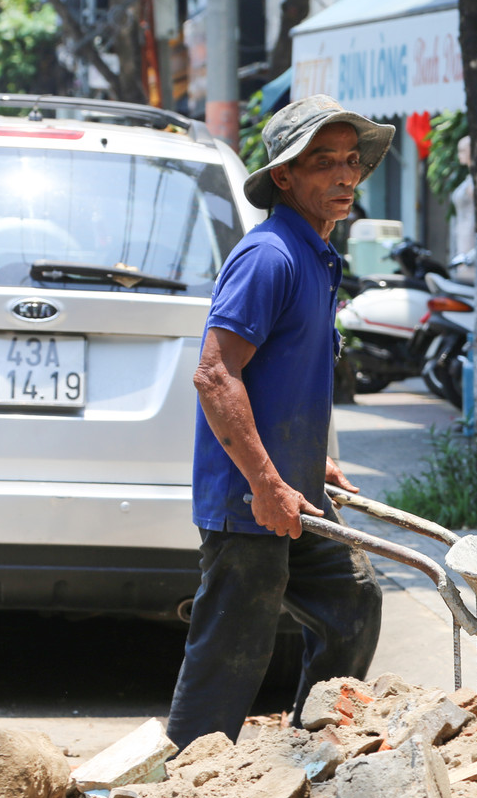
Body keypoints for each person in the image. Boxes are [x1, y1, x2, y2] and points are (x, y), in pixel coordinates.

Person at [166, 95, 393, 751]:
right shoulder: (270, 255)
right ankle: (184, 788)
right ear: (287, 176)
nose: (345, 175)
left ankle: (312, 748)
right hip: (249, 500)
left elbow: (289, 377)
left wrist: (307, 460)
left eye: (352, 161)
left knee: (353, 603)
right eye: (324, 162)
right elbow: (215, 374)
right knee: (232, 650)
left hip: (293, 490)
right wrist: (266, 482)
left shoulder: (318, 256)